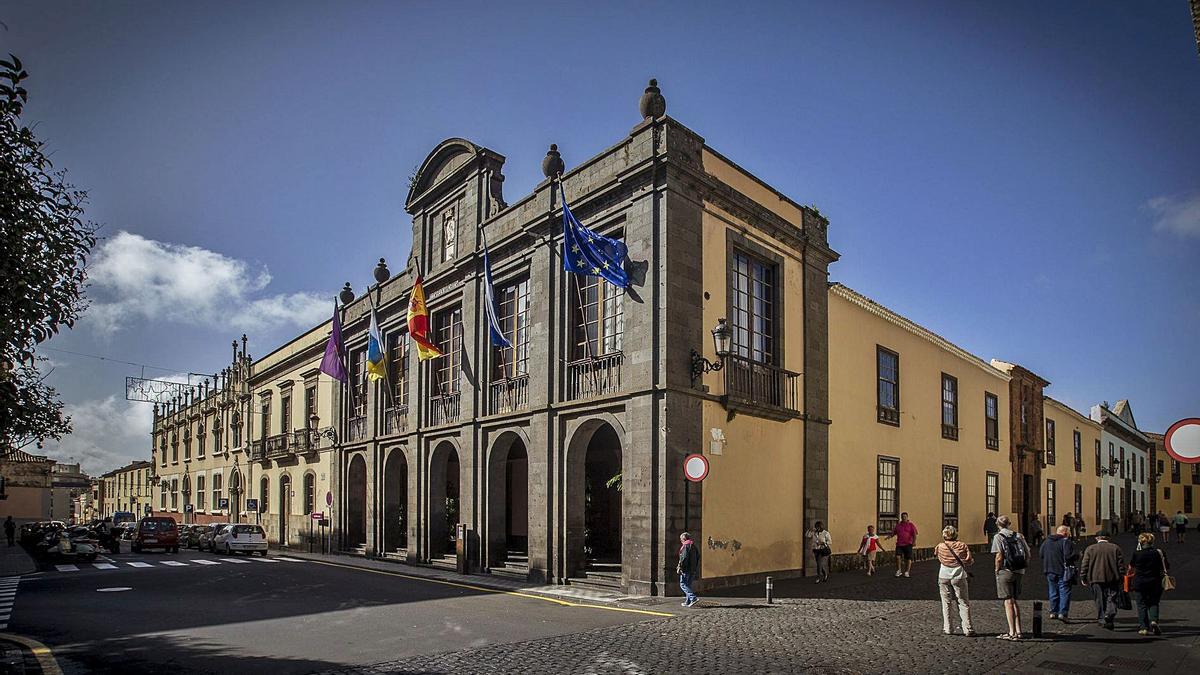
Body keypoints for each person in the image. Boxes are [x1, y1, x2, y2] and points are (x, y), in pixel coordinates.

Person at [991, 515, 1030, 640]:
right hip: (1019, 570)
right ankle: (1018, 630)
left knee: (1008, 601)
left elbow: (999, 556)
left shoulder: (998, 537)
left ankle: (1012, 632)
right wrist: (1024, 566)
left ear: (998, 525)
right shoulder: (1019, 535)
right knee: (1014, 600)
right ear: (1009, 523)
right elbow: (1028, 553)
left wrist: (997, 570)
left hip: (1006, 570)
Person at [935, 525, 976, 637]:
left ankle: (948, 628)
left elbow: (937, 557)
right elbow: (969, 560)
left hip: (943, 575)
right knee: (963, 602)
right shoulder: (962, 545)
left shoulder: (940, 546)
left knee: (946, 602)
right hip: (958, 575)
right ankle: (968, 628)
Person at [1079, 531, 1125, 629]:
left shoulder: (1090, 549)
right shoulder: (1115, 548)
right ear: (1108, 538)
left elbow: (1084, 564)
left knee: (1099, 599)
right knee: (1112, 597)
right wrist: (1122, 576)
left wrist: (1083, 577)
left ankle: (1102, 618)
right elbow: (1120, 565)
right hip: (1113, 577)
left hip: (1095, 578)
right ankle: (1110, 614)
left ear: (1097, 538)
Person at [1129, 532, 1169, 635]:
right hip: (1155, 581)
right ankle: (1154, 621)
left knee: (1141, 604)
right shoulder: (1159, 552)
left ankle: (1143, 628)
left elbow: (1131, 566)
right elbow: (1166, 566)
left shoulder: (1137, 553)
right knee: (1154, 602)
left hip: (1140, 582)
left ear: (1141, 542)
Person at [1040, 525, 1078, 622]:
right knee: (1064, 591)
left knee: (1053, 591)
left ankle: (1053, 612)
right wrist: (1077, 556)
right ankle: (1063, 613)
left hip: (1049, 569)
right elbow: (1068, 556)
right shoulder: (1066, 542)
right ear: (1065, 533)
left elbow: (1041, 554)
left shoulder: (1047, 541)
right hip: (1063, 570)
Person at [886, 512, 918, 577]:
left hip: (908, 544)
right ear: (901, 517)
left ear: (907, 517)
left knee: (908, 559)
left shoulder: (911, 525)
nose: (904, 518)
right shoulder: (898, 525)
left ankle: (907, 572)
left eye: (905, 517)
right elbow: (894, 532)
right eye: (902, 517)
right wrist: (889, 536)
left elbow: (914, 534)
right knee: (897, 557)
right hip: (899, 544)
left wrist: (914, 542)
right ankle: (899, 570)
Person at [677, 531, 700, 607]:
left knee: (683, 584)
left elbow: (683, 558)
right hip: (693, 569)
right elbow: (698, 556)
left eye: (681, 539)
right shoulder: (693, 545)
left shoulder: (686, 546)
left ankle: (693, 598)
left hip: (686, 569)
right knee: (688, 585)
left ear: (683, 539)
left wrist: (680, 567)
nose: (681, 541)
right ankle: (687, 601)